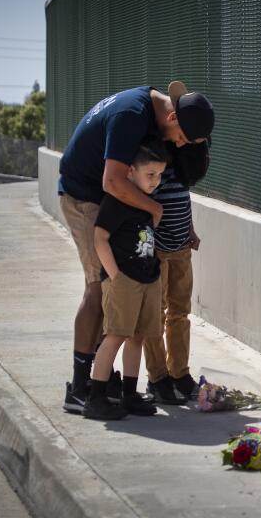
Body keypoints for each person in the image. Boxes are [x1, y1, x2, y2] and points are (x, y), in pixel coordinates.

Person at [60, 81, 214, 413]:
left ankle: (107, 383)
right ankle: (81, 387)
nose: (178, 145)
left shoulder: (152, 115)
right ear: (172, 117)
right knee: (99, 289)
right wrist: (154, 209)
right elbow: (112, 181)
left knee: (116, 300)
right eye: (181, 138)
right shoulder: (132, 115)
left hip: (107, 198)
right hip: (85, 198)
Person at [84, 140, 169, 420]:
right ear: (130, 171)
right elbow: (100, 238)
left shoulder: (147, 202)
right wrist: (116, 276)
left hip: (148, 278)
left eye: (159, 175)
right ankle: (96, 397)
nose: (155, 182)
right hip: (124, 281)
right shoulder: (116, 201)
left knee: (138, 336)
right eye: (150, 175)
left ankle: (130, 394)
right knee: (116, 334)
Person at [144, 141, 211, 404]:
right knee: (155, 315)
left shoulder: (184, 169)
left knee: (180, 312)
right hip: (157, 251)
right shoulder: (153, 170)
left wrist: (191, 231)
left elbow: (185, 200)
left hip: (182, 247)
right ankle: (157, 378)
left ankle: (179, 373)